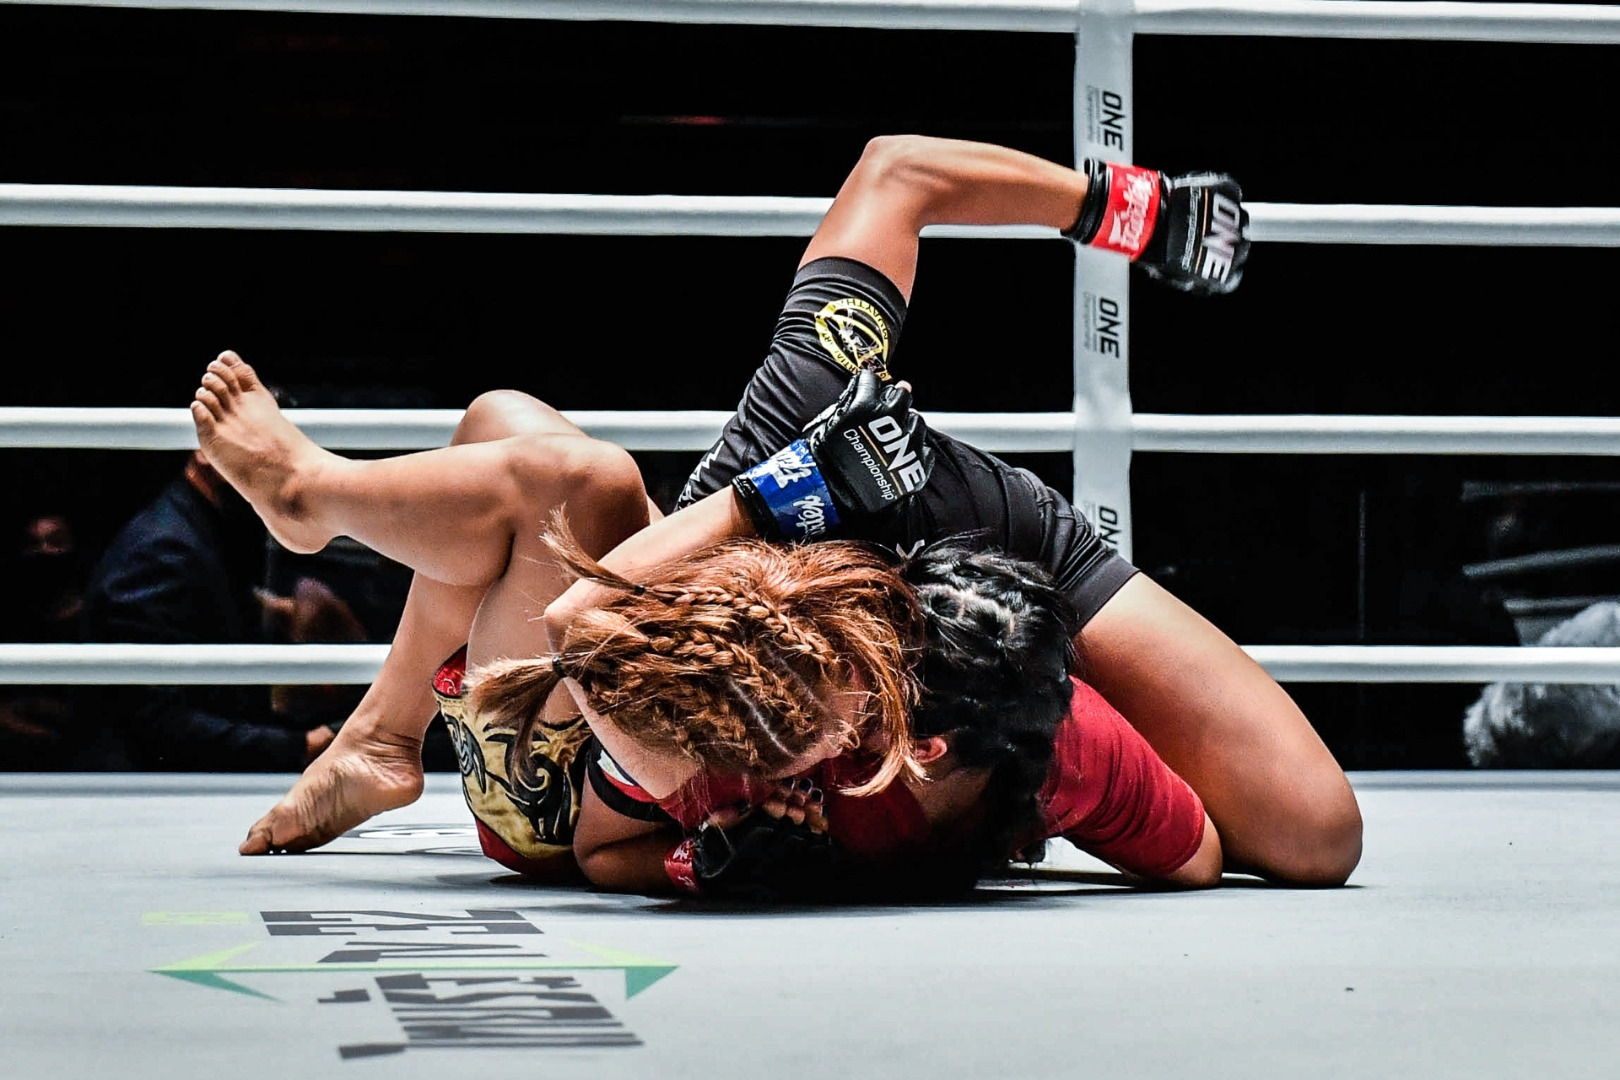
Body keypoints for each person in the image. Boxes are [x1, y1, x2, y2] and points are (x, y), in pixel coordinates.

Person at [210, 134, 1357, 886]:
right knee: (556, 464)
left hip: (998, 560)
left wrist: (1136, 212)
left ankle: (381, 727)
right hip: (636, 691)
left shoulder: (976, 590)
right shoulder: (782, 484)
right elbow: (586, 635)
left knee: (1313, 829)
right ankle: (322, 523)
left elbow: (900, 174)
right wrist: (772, 498)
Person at [76, 450, 354, 770]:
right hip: (154, 784)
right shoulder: (163, 550)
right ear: (207, 452)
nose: (284, 471)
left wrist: (276, 610)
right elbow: (154, 721)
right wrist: (299, 746)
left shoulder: (193, 528)